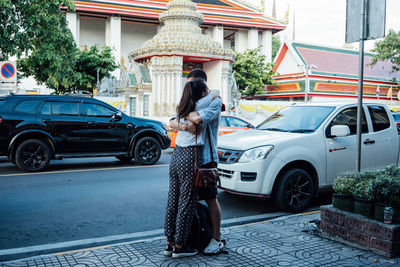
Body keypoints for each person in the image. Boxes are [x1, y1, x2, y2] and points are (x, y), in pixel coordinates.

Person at [170, 69, 224, 255]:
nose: (188, 89)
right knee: (185, 201)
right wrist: (183, 119)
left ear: (202, 85)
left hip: (207, 159)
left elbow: (198, 119)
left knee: (210, 198)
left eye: (191, 85)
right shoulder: (192, 103)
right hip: (190, 159)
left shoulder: (215, 102)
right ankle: (190, 238)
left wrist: (183, 114)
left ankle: (216, 239)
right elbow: (171, 121)